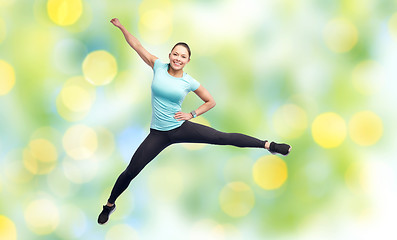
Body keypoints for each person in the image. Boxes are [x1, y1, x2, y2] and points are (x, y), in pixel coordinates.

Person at [98, 18, 291, 225]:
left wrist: (192, 114)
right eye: (175, 54)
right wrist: (122, 28)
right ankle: (109, 205)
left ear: (188, 60)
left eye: (183, 56)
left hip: (180, 127)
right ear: (169, 55)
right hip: (158, 134)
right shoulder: (158, 66)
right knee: (131, 171)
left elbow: (210, 101)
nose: (178, 59)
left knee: (221, 137)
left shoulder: (189, 81)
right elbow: (137, 45)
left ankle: (268, 145)